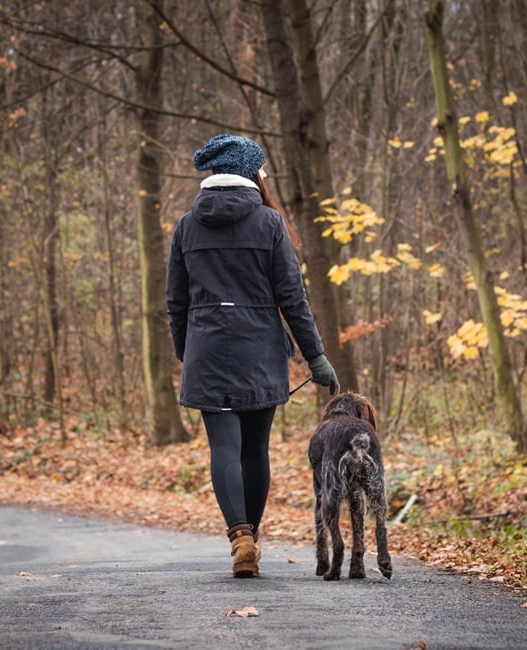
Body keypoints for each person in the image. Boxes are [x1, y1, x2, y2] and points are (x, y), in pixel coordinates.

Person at [167, 133, 341, 578]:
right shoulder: (269, 223)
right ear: (251, 173)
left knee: (223, 445)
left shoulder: (187, 225)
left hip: (207, 349)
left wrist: (186, 351)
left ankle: (240, 537)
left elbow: (176, 302)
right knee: (254, 450)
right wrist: (315, 356)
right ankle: (251, 539)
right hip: (259, 350)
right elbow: (292, 297)